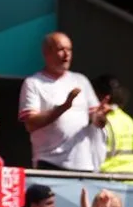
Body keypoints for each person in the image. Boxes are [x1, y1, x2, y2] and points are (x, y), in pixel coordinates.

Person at [19, 32, 105, 171]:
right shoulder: (33, 83)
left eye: (69, 49)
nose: (67, 54)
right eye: (61, 49)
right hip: (51, 163)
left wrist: (100, 116)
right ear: (46, 53)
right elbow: (30, 123)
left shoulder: (81, 80)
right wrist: (64, 107)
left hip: (83, 164)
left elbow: (95, 119)